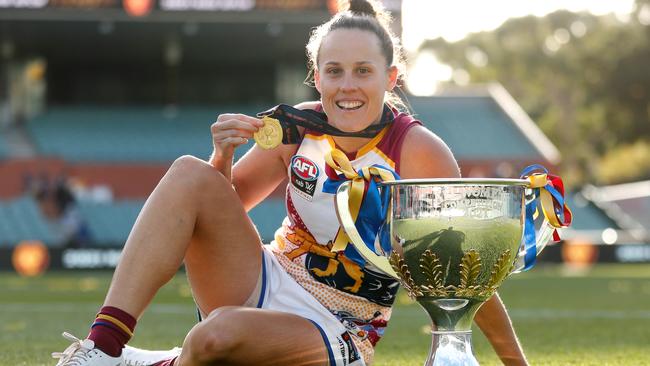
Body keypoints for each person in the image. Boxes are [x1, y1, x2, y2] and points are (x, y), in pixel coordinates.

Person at [52, 1, 529, 365]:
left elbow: (461, 271)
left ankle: (165, 361)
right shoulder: (298, 126)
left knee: (211, 339)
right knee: (188, 172)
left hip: (342, 323)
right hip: (266, 277)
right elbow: (220, 205)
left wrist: (515, 361)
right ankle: (104, 348)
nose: (348, 85)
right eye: (334, 71)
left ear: (391, 77)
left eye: (363, 71)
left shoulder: (419, 150)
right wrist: (222, 155)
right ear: (316, 77)